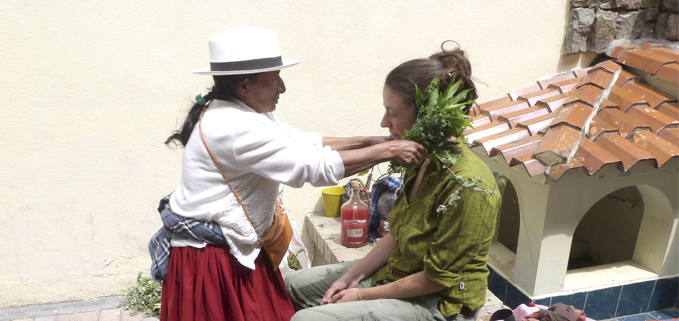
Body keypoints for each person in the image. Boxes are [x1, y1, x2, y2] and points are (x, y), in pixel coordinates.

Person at [151, 26, 427, 321]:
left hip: (233, 250)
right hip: (212, 260)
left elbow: (305, 143)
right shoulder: (235, 127)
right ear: (244, 86)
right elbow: (307, 167)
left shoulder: (244, 113)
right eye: (274, 79)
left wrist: (377, 141)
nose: (282, 87)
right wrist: (388, 152)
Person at [285, 42, 501, 321]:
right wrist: (351, 277)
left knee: (307, 319)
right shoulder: (420, 157)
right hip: (399, 273)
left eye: (393, 112)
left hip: (438, 302)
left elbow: (436, 279)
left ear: (428, 114)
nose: (384, 122)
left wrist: (360, 294)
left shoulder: (468, 184)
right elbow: (397, 234)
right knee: (293, 287)